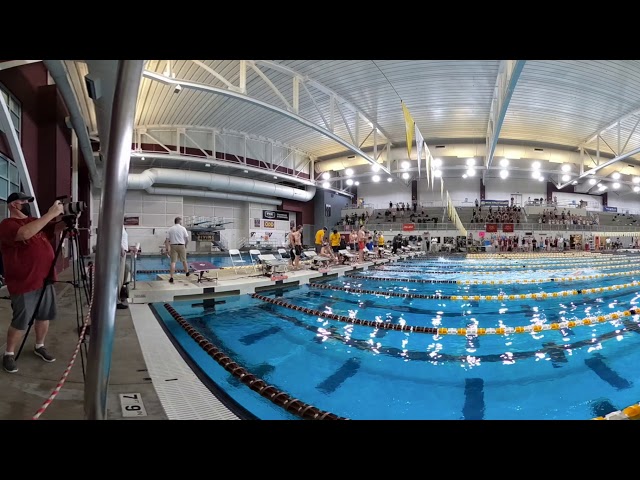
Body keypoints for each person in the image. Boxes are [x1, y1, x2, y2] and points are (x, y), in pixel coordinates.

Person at [0, 192, 64, 373]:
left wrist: (68, 218)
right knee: (21, 320)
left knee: (44, 315)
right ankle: (9, 354)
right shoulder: (7, 225)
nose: (27, 203)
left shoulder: (34, 221)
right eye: (24, 201)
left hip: (45, 279)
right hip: (24, 282)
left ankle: (39, 345)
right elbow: (24, 234)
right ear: (13, 205)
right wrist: (51, 213)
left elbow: (55, 228)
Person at [164, 217, 190, 283]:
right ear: (180, 222)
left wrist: (167, 249)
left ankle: (171, 277)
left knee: (173, 262)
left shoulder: (170, 229)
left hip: (173, 246)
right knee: (184, 260)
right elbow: (187, 239)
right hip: (181, 245)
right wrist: (186, 245)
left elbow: (167, 240)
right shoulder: (183, 228)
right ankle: (187, 273)